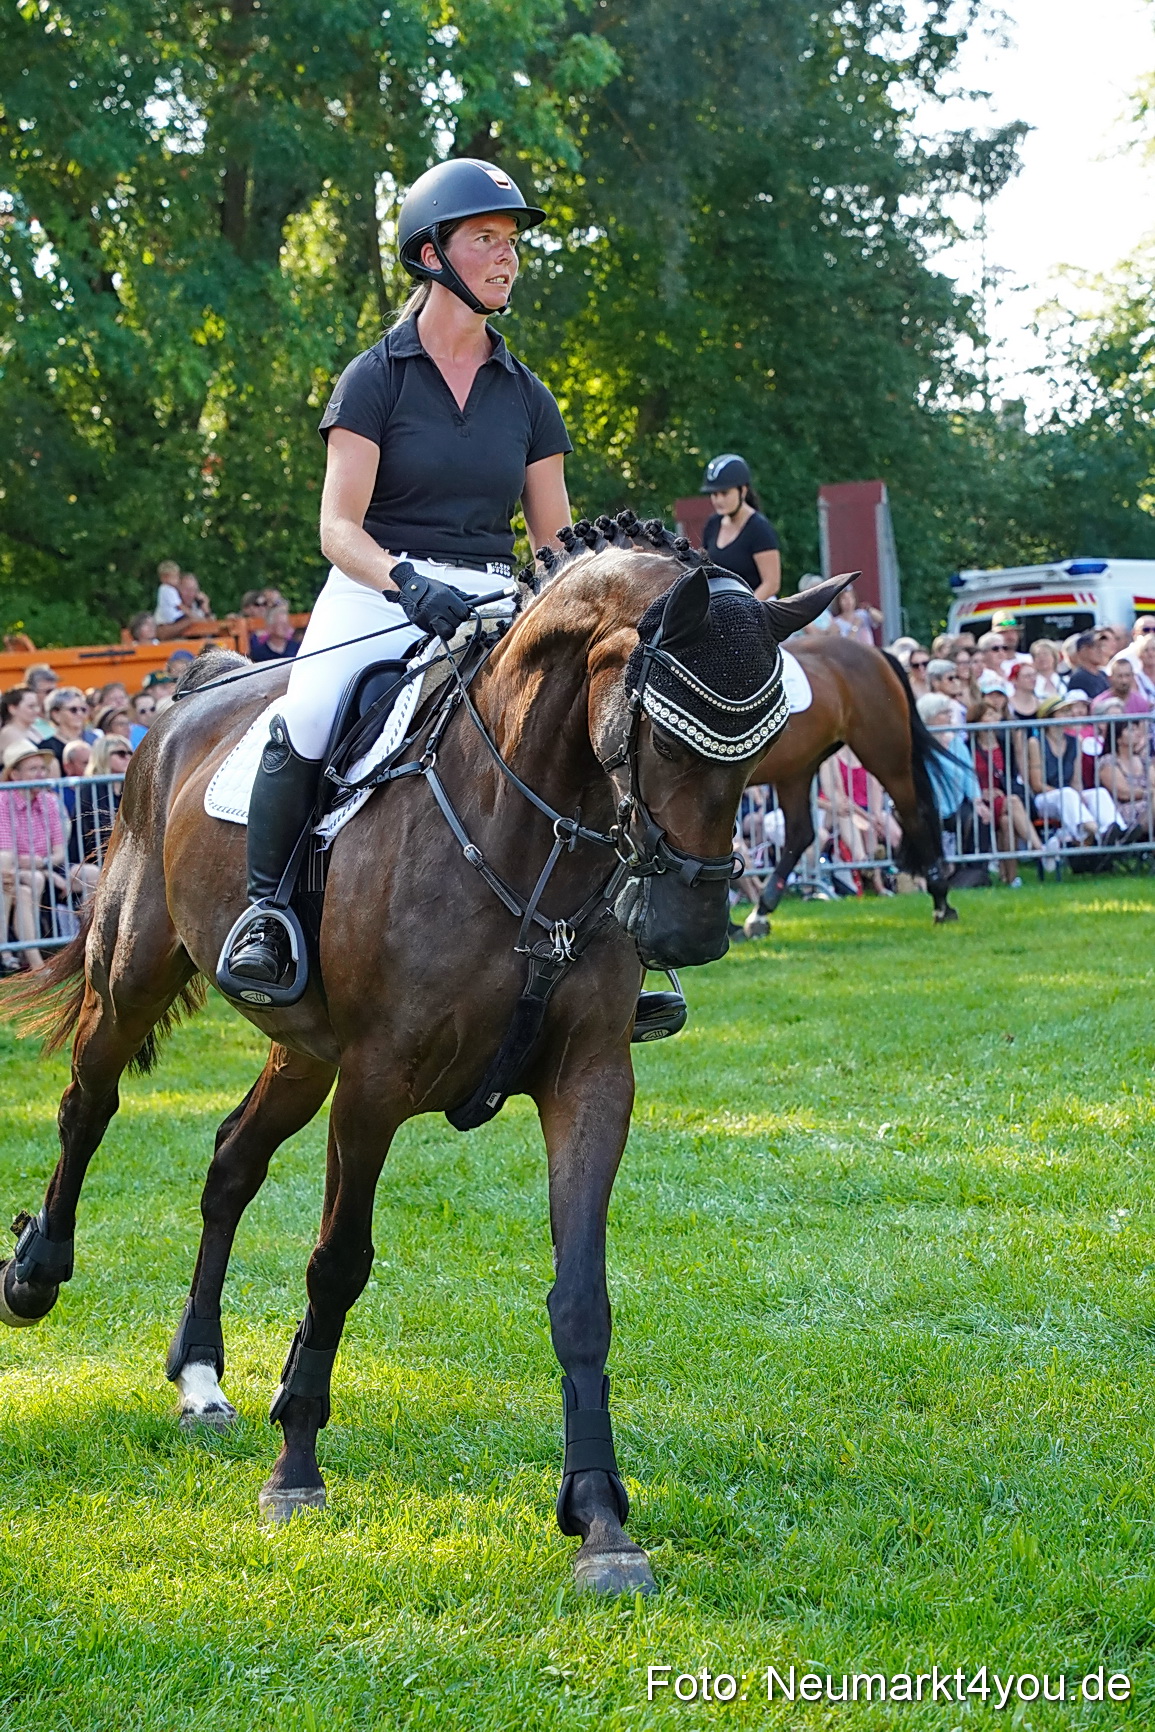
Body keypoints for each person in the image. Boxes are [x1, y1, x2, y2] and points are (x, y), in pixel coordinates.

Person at [223, 157, 573, 987]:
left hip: (492, 593)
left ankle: (600, 939)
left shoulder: (528, 395)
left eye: (512, 243)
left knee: (574, 721)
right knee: (309, 715)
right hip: (379, 588)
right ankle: (266, 914)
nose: (507, 257)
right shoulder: (374, 378)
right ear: (430, 256)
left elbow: (555, 541)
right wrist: (405, 581)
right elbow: (336, 528)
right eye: (485, 239)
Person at [0, 740, 66, 970]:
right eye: (33, 769)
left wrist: (44, 865)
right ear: (15, 775)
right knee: (25, 884)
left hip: (37, 868)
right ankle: (32, 961)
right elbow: (5, 857)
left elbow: (59, 852)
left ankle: (87, 951)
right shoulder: (3, 800)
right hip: (9, 870)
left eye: (42, 768)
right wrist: (41, 868)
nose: (40, 774)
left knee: (90, 874)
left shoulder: (50, 801)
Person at [1027, 691, 1120, 843]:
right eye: (1063, 711)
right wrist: (1071, 794)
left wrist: (1078, 794)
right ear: (1050, 716)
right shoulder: (1036, 742)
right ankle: (1096, 831)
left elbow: (1076, 780)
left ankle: (1115, 829)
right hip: (1045, 798)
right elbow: (1037, 784)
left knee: (1098, 793)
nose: (1069, 714)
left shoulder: (1076, 741)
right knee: (1067, 794)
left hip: (1069, 796)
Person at [699, 455, 781, 598]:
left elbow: (772, 583)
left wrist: (744, 610)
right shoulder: (712, 525)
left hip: (758, 609)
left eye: (724, 493)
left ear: (742, 491)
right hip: (718, 609)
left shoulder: (759, 528)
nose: (718, 500)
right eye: (714, 494)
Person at [68, 733, 132, 896]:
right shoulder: (91, 788)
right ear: (103, 756)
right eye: (120, 753)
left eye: (130, 753)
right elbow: (96, 833)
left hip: (121, 857)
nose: (128, 757)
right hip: (87, 862)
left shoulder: (129, 787)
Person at [41, 686, 99, 773]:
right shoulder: (46, 748)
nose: (80, 714)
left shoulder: (94, 740)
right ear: (56, 714)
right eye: (73, 710)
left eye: (83, 709)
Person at [156, 570, 213, 640]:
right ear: (178, 589)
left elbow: (213, 631)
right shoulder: (168, 607)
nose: (190, 594)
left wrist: (206, 610)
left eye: (193, 590)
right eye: (187, 590)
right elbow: (161, 634)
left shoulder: (197, 607)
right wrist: (189, 622)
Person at [1065, 630, 1110, 701]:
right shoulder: (1079, 678)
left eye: (1101, 647)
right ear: (1083, 651)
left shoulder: (1103, 675)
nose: (1101, 651)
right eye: (1096, 647)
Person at [0, 686, 43, 756]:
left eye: (37, 706)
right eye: (31, 706)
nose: (37, 710)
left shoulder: (34, 730)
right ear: (12, 709)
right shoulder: (9, 733)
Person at [927, 658, 966, 724]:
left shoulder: (956, 702)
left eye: (956, 677)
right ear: (935, 682)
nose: (956, 682)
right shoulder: (929, 705)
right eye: (950, 678)